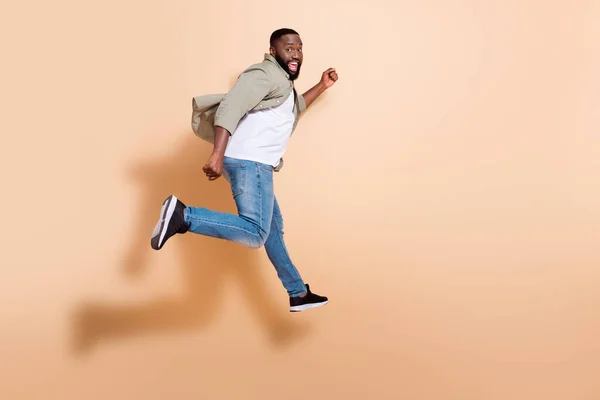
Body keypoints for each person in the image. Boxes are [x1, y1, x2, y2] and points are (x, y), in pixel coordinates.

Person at [150, 28, 338, 312]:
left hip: (254, 162)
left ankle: (297, 293)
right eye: (289, 48)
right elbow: (231, 106)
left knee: (273, 229)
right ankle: (183, 215)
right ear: (274, 51)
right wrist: (216, 153)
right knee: (254, 233)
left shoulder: (282, 84)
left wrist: (321, 85)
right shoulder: (264, 74)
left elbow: (295, 108)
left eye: (299, 48)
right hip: (251, 162)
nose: (296, 53)